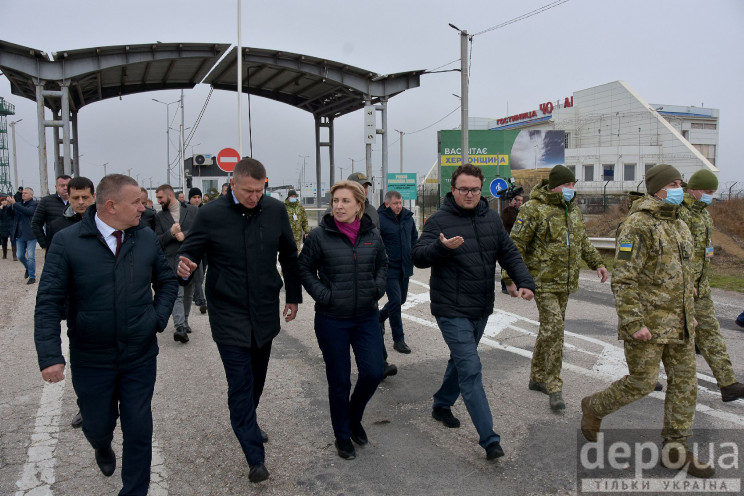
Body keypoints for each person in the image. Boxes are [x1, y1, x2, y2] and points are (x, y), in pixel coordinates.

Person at [34, 174, 178, 495]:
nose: (143, 207)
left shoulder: (144, 238)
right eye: (137, 202)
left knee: (139, 427)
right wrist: (49, 355)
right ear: (111, 206)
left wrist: (155, 319)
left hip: (139, 355)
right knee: (98, 425)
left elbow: (167, 283)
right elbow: (48, 301)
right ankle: (101, 444)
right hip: (92, 358)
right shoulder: (67, 242)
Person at [581, 164, 714, 478]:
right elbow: (623, 279)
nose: (681, 187)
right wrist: (632, 322)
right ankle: (595, 406)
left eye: (681, 182)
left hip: (679, 325)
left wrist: (689, 316)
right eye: (675, 183)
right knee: (641, 384)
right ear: (658, 188)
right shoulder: (636, 225)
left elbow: (684, 278)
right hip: (647, 325)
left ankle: (675, 450)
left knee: (685, 386)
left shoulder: (681, 224)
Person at [176, 157, 301, 484]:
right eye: (248, 191)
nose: (254, 197)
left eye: (260, 190)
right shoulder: (211, 214)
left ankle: (249, 419)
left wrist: (293, 296)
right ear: (232, 184)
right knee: (241, 382)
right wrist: (184, 263)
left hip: (263, 309)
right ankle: (254, 456)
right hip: (228, 311)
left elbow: (289, 254)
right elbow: (190, 250)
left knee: (257, 378)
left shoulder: (274, 210)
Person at [412, 163, 535, 460]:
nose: (469, 194)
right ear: (452, 190)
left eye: (474, 190)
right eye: (463, 189)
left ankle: (442, 404)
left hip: (480, 307)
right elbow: (418, 256)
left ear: (482, 191)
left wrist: (524, 281)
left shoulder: (491, 219)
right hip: (451, 309)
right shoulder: (439, 220)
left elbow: (509, 253)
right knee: (471, 368)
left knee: (460, 360)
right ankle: (489, 439)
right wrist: (441, 248)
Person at [504, 165, 609, 412]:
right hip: (541, 282)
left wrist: (598, 263)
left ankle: (536, 377)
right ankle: (553, 385)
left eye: (574, 185)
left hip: (565, 283)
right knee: (555, 329)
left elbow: (582, 241)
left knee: (549, 330)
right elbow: (515, 245)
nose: (572, 189)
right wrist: (510, 278)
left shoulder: (572, 210)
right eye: (567, 185)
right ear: (554, 186)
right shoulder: (533, 209)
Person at [299, 180, 387, 460]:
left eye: (345, 201)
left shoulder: (372, 234)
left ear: (359, 205)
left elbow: (383, 264)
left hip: (366, 317)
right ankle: (341, 436)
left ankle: (353, 417)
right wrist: (324, 295)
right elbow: (304, 268)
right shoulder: (319, 236)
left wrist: (377, 288)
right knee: (339, 381)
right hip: (331, 320)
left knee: (373, 372)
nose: (338, 206)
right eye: (335, 200)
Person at [679, 169, 744, 402]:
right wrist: (684, 283)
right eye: (707, 191)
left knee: (711, 333)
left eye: (713, 192)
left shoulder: (705, 215)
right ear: (693, 190)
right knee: (668, 337)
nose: (710, 196)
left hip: (700, 288)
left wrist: (699, 281)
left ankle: (728, 384)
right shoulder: (679, 213)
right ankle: (642, 376)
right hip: (678, 287)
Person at [46, 176, 97, 429]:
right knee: (79, 357)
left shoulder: (105, 223)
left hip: (99, 299)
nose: (79, 202)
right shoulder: (58, 226)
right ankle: (84, 406)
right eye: (74, 197)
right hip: (74, 303)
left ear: (93, 197)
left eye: (84, 197)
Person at [154, 184, 200, 343]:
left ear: (170, 195)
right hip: (171, 261)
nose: (158, 200)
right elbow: (158, 240)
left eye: (160, 197)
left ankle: (185, 322)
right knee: (177, 293)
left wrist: (184, 235)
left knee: (188, 292)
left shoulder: (193, 211)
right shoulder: (159, 217)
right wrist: (171, 234)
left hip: (191, 259)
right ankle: (180, 326)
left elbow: (200, 230)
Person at [378, 190, 418, 354]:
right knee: (395, 301)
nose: (399, 206)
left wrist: (414, 253)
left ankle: (380, 317)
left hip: (405, 266)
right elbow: (376, 241)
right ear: (387, 203)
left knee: (401, 299)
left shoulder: (408, 217)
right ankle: (398, 340)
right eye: (395, 203)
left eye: (400, 203)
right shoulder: (380, 219)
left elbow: (414, 237)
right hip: (389, 267)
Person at [31, 174, 71, 253]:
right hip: (54, 246)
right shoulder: (46, 201)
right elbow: (36, 224)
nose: (65, 188)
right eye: (62, 185)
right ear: (56, 187)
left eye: (68, 185)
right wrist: (44, 244)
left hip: (75, 245)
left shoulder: (79, 202)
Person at [8, 187, 38, 284]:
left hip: (30, 234)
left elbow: (28, 212)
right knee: (20, 255)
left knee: (31, 256)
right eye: (23, 193)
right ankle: (28, 268)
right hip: (19, 234)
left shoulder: (34, 204)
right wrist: (9, 206)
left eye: (25, 193)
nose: (23, 194)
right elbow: (11, 214)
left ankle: (32, 276)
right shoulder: (19, 204)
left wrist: (14, 204)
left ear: (31, 195)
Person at [187, 187, 208, 314]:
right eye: (194, 197)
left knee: (201, 275)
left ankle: (196, 295)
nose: (197, 200)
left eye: (199, 197)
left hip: (205, 247)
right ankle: (201, 300)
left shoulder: (205, 210)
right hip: (192, 247)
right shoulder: (186, 211)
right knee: (198, 273)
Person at [499, 192, 524, 293]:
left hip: (518, 241)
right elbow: (511, 220)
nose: (520, 202)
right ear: (511, 201)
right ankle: (505, 286)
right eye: (517, 200)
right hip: (508, 241)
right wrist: (512, 208)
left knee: (517, 264)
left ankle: (517, 284)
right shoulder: (507, 211)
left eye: (521, 201)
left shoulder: (521, 211)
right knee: (506, 264)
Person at [0, 194, 15, 259]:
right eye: (2, 200)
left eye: (5, 200)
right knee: (4, 240)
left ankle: (14, 255)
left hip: (11, 225)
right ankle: (4, 254)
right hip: (3, 226)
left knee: (13, 240)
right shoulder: (0, 209)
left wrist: (9, 205)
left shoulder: (9, 207)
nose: (4, 201)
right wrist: (0, 210)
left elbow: (12, 213)